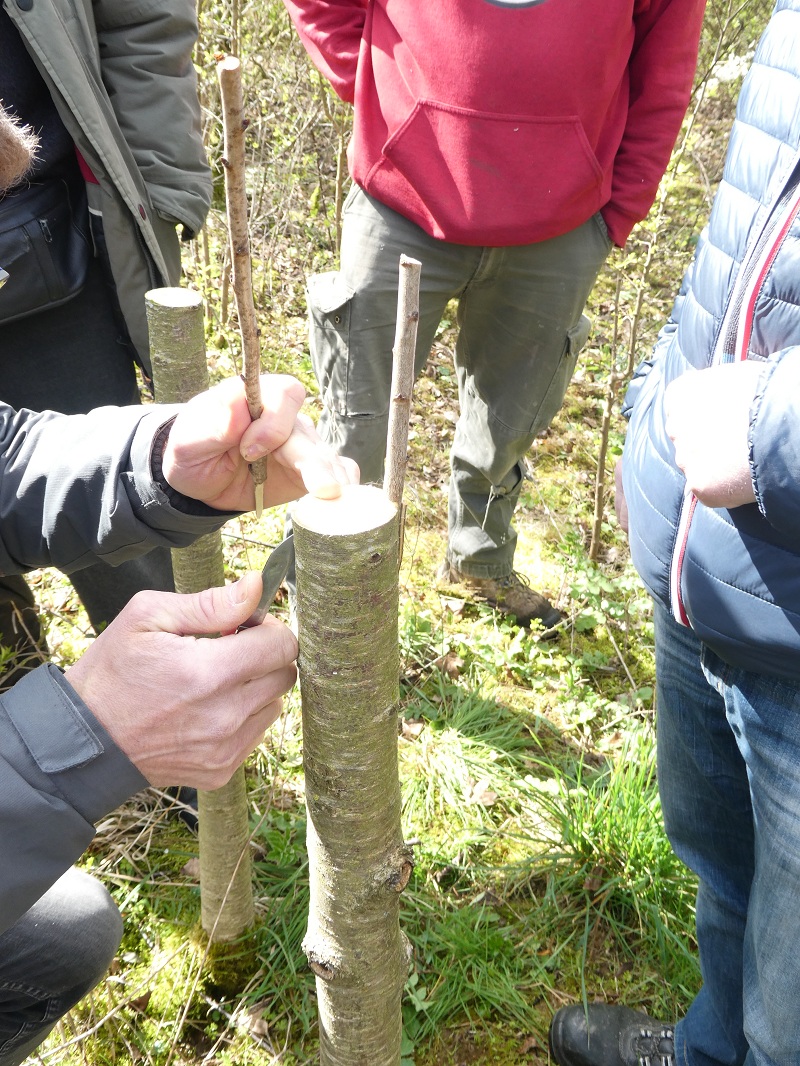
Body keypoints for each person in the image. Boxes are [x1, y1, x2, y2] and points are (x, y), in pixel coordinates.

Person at [280, 0, 706, 629]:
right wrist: (389, 101)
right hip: (399, 199)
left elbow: (662, 78)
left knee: (509, 416)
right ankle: (329, 580)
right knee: (359, 412)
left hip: (560, 224)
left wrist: (617, 213)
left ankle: (477, 564)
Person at [549, 4, 800, 1065]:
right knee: (724, 879)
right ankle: (706, 1048)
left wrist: (771, 435)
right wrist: (652, 427)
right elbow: (743, 234)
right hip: (704, 568)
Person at [0, 0, 211, 676]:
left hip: (52, 246)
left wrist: (163, 184)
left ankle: (177, 745)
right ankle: (23, 705)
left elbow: (145, 22)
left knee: (115, 511)